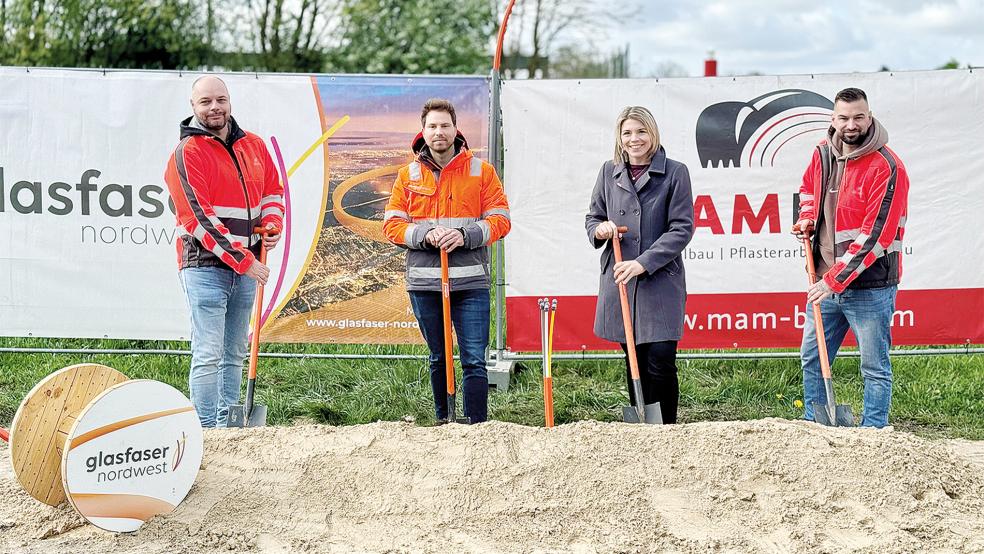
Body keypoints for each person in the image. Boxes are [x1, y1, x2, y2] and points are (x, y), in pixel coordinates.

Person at [164, 76, 284, 428]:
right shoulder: (186, 154)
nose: (214, 107)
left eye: (220, 100)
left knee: (234, 352)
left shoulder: (255, 145)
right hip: (204, 266)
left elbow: (273, 191)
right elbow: (199, 218)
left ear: (229, 102)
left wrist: (271, 225)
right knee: (208, 353)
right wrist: (246, 261)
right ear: (193, 107)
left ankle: (230, 425)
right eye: (205, 102)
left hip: (245, 267)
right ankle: (205, 428)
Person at [383, 98, 511, 424]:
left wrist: (466, 236)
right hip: (425, 283)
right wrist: (424, 236)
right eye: (432, 126)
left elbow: (501, 220)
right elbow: (392, 225)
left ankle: (477, 428)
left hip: (471, 283)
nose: (439, 132)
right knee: (439, 357)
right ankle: (444, 423)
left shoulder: (482, 172)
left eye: (445, 125)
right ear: (422, 131)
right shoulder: (407, 175)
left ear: (456, 129)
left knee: (473, 360)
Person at [792, 87, 909, 428]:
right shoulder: (822, 153)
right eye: (843, 118)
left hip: (870, 285)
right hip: (826, 280)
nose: (851, 124)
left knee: (873, 366)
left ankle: (873, 433)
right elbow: (808, 189)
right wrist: (808, 217)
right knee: (813, 358)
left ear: (869, 117)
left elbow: (876, 236)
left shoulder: (888, 167)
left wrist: (832, 281)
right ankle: (816, 426)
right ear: (833, 119)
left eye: (858, 117)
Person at [585, 106, 695, 424]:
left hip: (660, 280)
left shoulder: (675, 172)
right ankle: (642, 428)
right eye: (628, 133)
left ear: (653, 133)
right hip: (620, 278)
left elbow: (681, 228)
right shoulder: (609, 171)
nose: (635, 139)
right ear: (620, 137)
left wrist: (643, 263)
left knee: (660, 358)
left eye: (641, 131)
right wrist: (600, 229)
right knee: (633, 356)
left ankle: (665, 428)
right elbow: (593, 216)